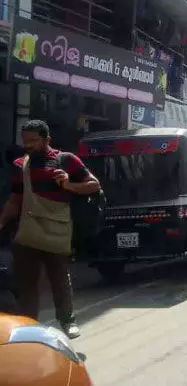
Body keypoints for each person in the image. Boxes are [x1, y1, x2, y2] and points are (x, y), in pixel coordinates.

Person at [0, 120, 100, 339]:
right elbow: (15, 200)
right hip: (27, 231)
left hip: (57, 230)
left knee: (59, 278)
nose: (28, 145)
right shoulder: (20, 165)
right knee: (27, 284)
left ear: (47, 140)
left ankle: (67, 320)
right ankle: (29, 328)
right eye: (25, 141)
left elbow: (94, 185)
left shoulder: (67, 160)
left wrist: (69, 185)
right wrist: (2, 221)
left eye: (34, 141)